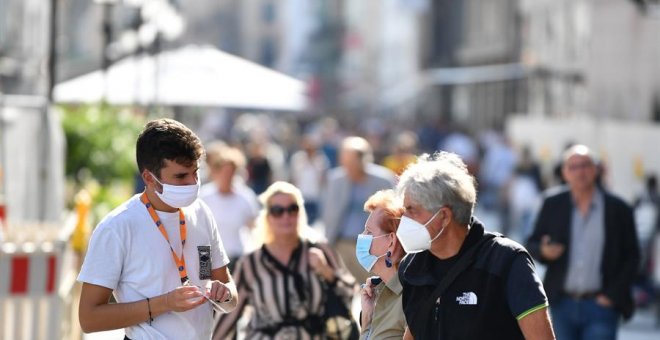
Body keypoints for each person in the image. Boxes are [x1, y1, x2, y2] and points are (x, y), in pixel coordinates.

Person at [78, 118, 238, 339]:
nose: (192, 183)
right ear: (149, 178)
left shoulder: (201, 212)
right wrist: (165, 303)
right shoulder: (117, 227)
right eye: (181, 176)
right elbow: (89, 319)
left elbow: (229, 294)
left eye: (196, 172)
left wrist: (225, 294)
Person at [396, 151, 554, 339]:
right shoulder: (412, 267)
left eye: (411, 210)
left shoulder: (506, 261)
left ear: (444, 216)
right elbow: (415, 329)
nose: (403, 218)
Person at [213, 181, 357, 339]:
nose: (286, 216)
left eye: (292, 209)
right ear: (267, 217)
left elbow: (351, 292)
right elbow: (230, 313)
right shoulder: (251, 263)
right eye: (277, 211)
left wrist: (326, 271)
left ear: (300, 213)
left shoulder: (320, 251)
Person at [526, 144, 640, 340]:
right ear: (564, 172)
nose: (580, 172)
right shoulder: (552, 203)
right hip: (562, 304)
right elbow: (532, 244)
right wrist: (544, 251)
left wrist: (612, 296)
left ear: (596, 169)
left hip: (601, 307)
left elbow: (633, 256)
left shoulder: (618, 209)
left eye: (585, 165)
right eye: (573, 166)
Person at [322, 136, 396, 284]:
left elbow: (391, 214)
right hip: (342, 243)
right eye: (344, 161)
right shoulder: (336, 179)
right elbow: (329, 213)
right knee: (344, 285)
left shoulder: (382, 179)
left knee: (372, 285)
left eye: (351, 162)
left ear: (364, 160)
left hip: (371, 246)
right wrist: (328, 244)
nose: (347, 167)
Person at [357, 190, 407, 340]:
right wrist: (367, 321)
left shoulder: (410, 298)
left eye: (369, 231)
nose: (362, 236)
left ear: (391, 241)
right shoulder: (378, 292)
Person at [200, 142, 259, 269]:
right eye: (223, 172)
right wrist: (203, 266)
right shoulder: (203, 196)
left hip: (237, 257)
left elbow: (254, 228)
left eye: (231, 172)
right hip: (207, 257)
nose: (227, 177)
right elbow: (198, 231)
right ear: (215, 172)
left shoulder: (246, 196)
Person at [289, 132, 330, 225]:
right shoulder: (297, 158)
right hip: (301, 195)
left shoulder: (321, 160)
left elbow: (322, 179)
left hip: (314, 196)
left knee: (312, 222)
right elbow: (293, 177)